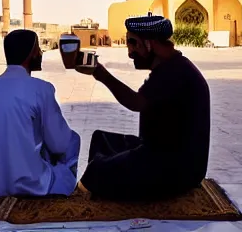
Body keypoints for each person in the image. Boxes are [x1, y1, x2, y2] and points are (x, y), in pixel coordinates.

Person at [75, 15, 210, 201]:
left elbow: (136, 103)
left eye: (133, 43)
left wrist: (101, 74)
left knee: (96, 171)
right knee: (102, 140)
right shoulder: (171, 67)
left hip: (175, 169)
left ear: (150, 43)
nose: (130, 52)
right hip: (162, 153)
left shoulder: (174, 73)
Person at [0, 29, 80, 199]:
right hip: (27, 185)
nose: (41, 54)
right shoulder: (41, 89)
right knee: (71, 140)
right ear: (31, 54)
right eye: (38, 50)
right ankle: (61, 192)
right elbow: (60, 144)